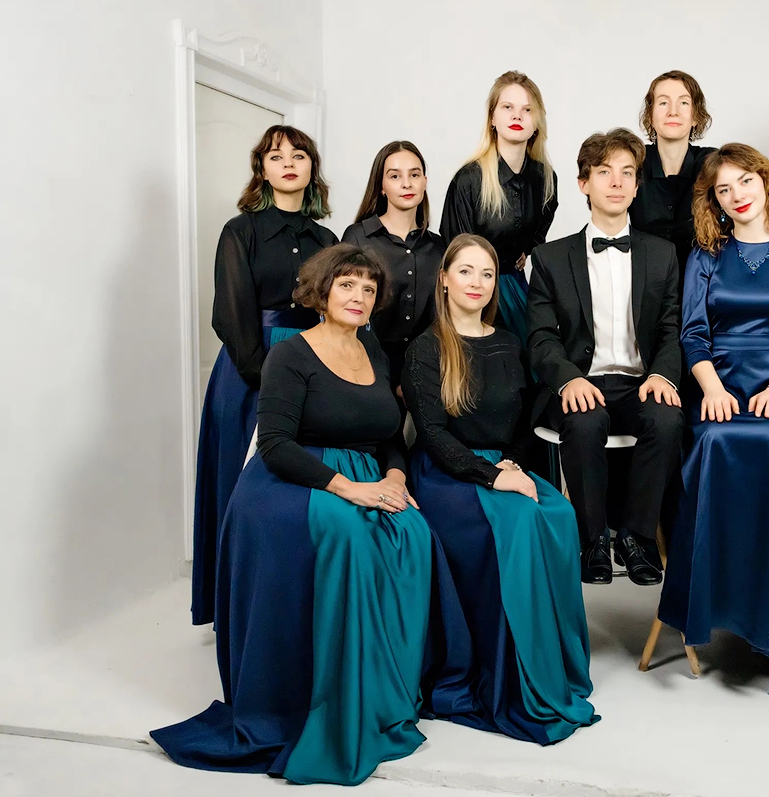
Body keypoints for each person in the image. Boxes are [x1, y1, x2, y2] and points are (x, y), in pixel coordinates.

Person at [154, 245, 443, 785]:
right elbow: (275, 445)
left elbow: (388, 434)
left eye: (368, 288)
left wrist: (395, 478)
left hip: (363, 472)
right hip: (290, 481)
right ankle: (327, 700)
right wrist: (350, 490)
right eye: (347, 285)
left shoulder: (374, 351)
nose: (358, 296)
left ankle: (382, 693)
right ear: (322, 292)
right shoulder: (289, 354)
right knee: (349, 535)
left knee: (413, 532)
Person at [403, 233, 598, 744]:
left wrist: (513, 462)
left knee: (558, 516)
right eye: (465, 271)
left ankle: (550, 665)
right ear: (444, 279)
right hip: (447, 474)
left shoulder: (510, 342)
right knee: (518, 520)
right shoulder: (426, 348)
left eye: (487, 274)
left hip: (503, 465)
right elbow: (433, 436)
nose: (477, 282)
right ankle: (510, 674)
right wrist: (493, 476)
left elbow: (525, 418)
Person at [657, 144, 769, 670]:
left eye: (745, 182)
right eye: (723, 190)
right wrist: (711, 389)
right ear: (715, 201)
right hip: (718, 384)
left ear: (765, 181)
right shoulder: (705, 257)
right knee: (714, 441)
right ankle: (718, 609)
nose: (737, 196)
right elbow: (693, 333)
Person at [191, 125, 338, 627]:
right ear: (262, 169)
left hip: (313, 364)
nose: (289, 164)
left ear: (312, 168)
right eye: (277, 157)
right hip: (247, 367)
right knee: (241, 484)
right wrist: (269, 377)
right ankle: (235, 610)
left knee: (301, 482)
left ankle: (288, 608)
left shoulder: (327, 240)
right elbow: (229, 315)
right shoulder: (240, 231)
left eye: (299, 155)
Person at [526, 128, 685, 586]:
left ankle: (636, 537)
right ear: (584, 183)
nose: (616, 182)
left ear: (636, 186)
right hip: (582, 380)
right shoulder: (550, 258)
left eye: (627, 173)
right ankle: (592, 539)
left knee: (668, 420)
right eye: (604, 172)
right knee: (583, 420)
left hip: (640, 382)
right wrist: (568, 379)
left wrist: (663, 375)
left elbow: (671, 330)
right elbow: (541, 337)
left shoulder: (662, 254)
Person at [441, 70, 558, 346]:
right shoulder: (468, 180)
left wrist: (527, 250)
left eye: (527, 110)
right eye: (507, 108)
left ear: (537, 122)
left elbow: (542, 225)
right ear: (492, 118)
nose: (517, 116)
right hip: (474, 295)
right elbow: (454, 249)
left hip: (516, 287)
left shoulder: (545, 178)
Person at [342, 140, 446, 406]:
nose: (406, 184)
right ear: (382, 186)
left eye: (414, 175)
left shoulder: (439, 247)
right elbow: (344, 314)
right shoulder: (358, 238)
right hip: (366, 369)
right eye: (395, 176)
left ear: (425, 182)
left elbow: (441, 320)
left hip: (426, 372)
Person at [628, 69, 717, 284]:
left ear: (696, 116)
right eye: (663, 103)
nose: (673, 112)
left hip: (703, 284)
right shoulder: (631, 163)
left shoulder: (713, 164)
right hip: (643, 284)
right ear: (650, 115)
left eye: (683, 103)